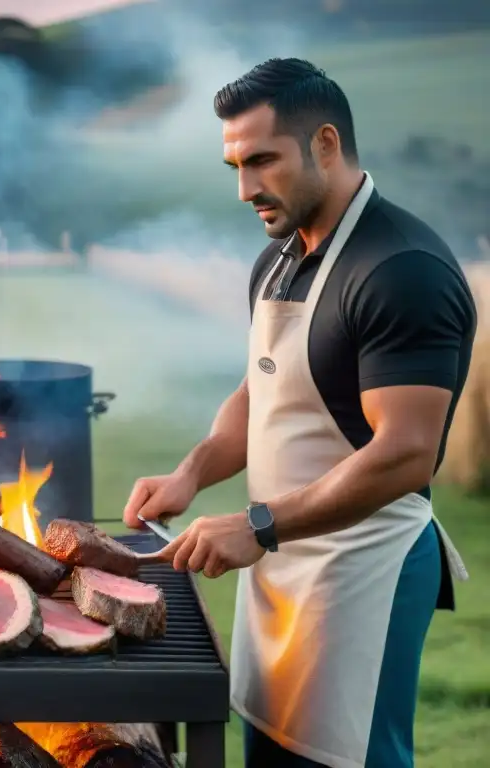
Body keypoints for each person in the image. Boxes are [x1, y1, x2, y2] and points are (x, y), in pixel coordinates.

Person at [123, 58, 475, 768]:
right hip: (281, 567)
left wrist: (260, 523)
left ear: (324, 144)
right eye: (234, 166)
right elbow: (264, 388)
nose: (246, 187)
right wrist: (191, 474)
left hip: (361, 573)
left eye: (262, 161)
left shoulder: (402, 270)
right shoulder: (280, 258)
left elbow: (407, 452)